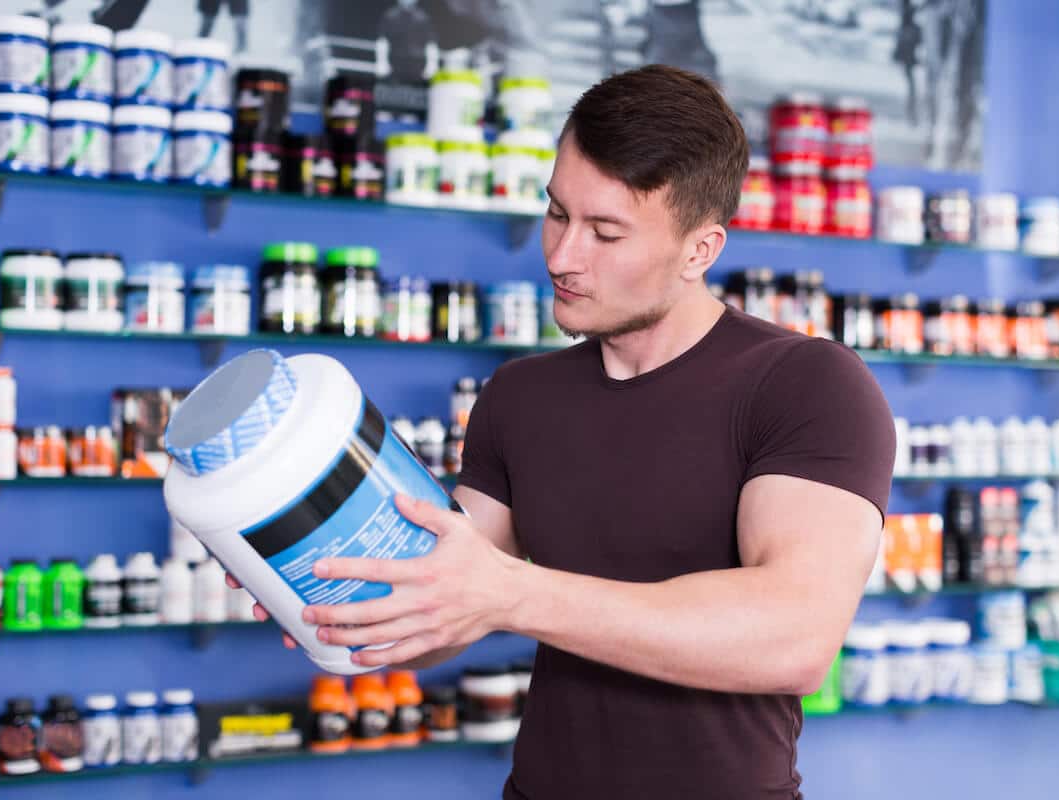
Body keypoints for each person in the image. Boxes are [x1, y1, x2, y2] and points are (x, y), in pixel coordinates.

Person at [242, 64, 895, 798]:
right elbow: (451, 606)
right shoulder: (520, 394)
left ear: (700, 250)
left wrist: (513, 595)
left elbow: (795, 636)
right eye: (557, 213)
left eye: (605, 233)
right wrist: (339, 596)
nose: (560, 256)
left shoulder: (805, 384)